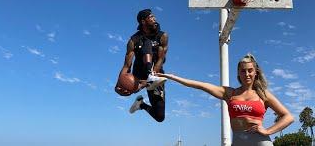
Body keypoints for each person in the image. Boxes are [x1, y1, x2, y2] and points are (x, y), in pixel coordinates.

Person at [157, 54, 294, 145]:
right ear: (238, 73)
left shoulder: (263, 94)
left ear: (256, 72)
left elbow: (288, 117)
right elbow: (200, 85)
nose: (246, 74)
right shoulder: (230, 93)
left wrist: (268, 131)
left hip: (260, 141)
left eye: (250, 70)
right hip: (238, 141)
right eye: (243, 71)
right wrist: (172, 76)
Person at [115, 9, 168, 122]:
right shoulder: (133, 40)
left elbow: (161, 59)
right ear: (143, 21)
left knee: (159, 116)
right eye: (151, 17)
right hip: (139, 74)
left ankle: (141, 104)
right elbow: (127, 65)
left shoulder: (162, 36)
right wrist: (118, 84)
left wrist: (151, 77)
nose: (155, 19)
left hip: (156, 73)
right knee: (146, 42)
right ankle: (149, 78)